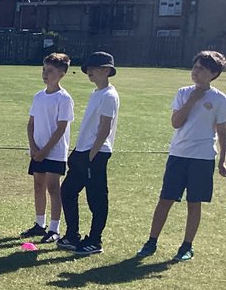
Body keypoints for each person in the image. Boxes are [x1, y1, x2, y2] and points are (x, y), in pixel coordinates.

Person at [137, 50, 226, 262]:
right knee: (165, 199)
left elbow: (222, 132)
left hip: (203, 158)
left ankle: (186, 246)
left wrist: (223, 160)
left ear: (213, 74)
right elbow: (176, 122)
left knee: (194, 203)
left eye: (201, 69)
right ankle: (151, 241)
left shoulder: (219, 99)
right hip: (178, 154)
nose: (195, 71)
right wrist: (192, 101)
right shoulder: (183, 93)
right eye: (194, 67)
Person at [57, 52, 120, 255]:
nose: (89, 72)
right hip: (84, 151)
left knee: (96, 198)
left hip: (97, 153)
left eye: (94, 68)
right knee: (68, 191)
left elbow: (104, 129)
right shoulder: (97, 93)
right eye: (88, 69)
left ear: (107, 70)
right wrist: (79, 152)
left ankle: (95, 240)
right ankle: (72, 235)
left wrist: (91, 156)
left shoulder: (109, 95)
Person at [20, 52, 74, 243]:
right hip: (37, 151)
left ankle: (54, 228)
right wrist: (33, 147)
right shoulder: (39, 96)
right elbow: (31, 124)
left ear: (61, 74)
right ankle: (39, 224)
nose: (45, 74)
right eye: (44, 70)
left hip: (55, 152)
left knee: (53, 188)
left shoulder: (64, 98)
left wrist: (45, 150)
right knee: (38, 185)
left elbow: (61, 128)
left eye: (50, 71)